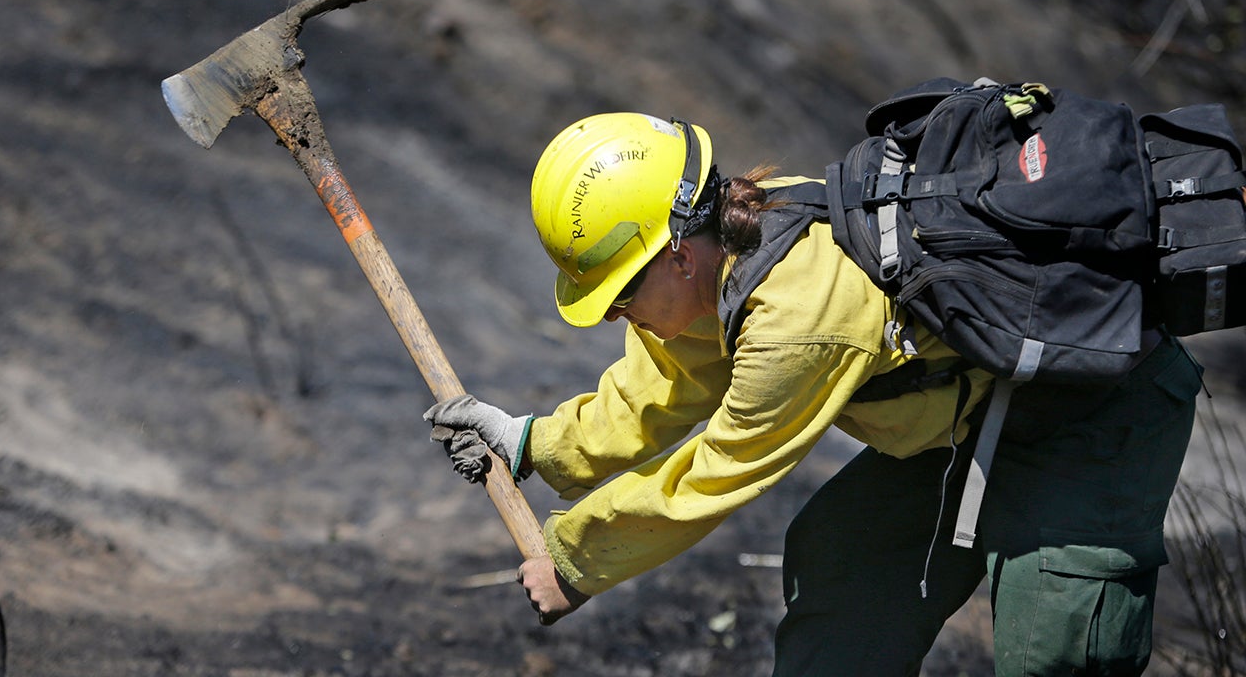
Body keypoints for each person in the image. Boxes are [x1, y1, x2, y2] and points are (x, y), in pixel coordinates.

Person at [424, 112, 1203, 675]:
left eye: (619, 296)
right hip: (963, 424)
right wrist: (532, 444)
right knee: (844, 574)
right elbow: (670, 373)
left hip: (1087, 412)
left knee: (1058, 652)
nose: (617, 318)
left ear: (676, 257)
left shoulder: (798, 319)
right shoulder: (733, 245)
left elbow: (715, 474)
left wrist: (571, 560)